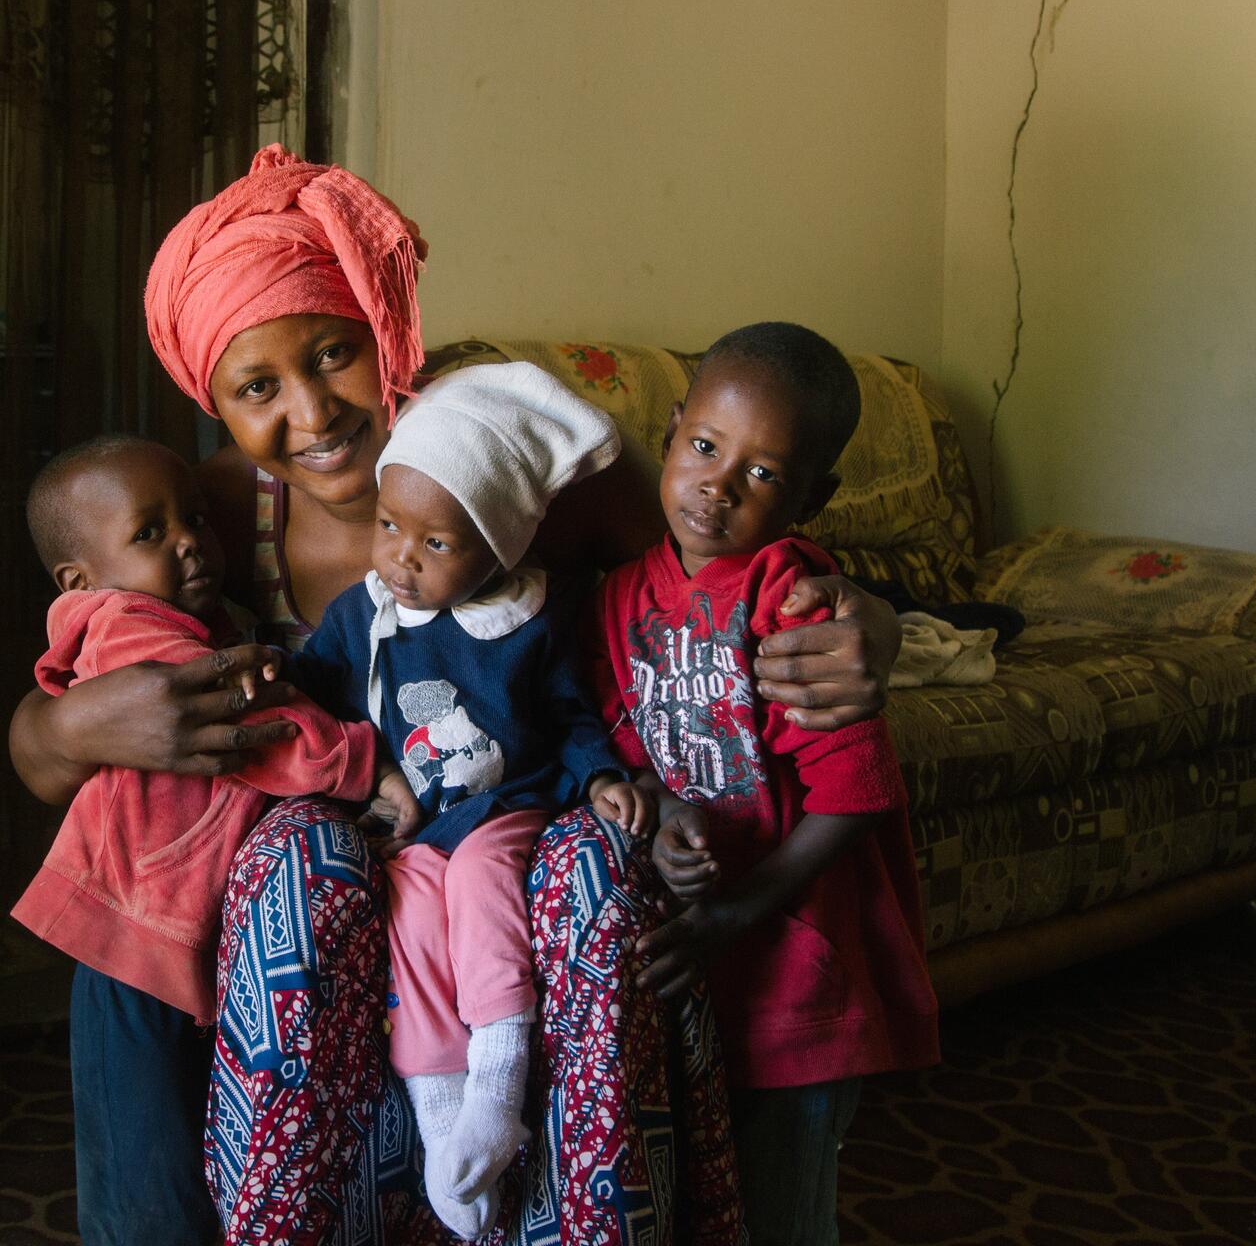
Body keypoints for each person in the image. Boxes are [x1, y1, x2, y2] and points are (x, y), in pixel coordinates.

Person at [7, 147, 902, 1245]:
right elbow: (57, 737)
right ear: (217, 404)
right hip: (321, 889)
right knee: (144, 911)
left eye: (333, 353)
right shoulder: (213, 516)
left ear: (380, 336)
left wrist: (872, 615)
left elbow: (707, 578)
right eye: (256, 389)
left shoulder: (516, 463)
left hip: (500, 847)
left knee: (581, 881)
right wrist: (64, 721)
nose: (314, 412)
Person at [590, 322, 941, 1246]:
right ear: (670, 432)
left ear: (810, 498)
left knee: (784, 1214)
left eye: (763, 473)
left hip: (795, 969)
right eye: (705, 447)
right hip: (704, 972)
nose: (718, 483)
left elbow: (856, 794)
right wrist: (662, 817)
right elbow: (631, 749)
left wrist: (738, 912)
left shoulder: (793, 603)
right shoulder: (619, 597)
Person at [293, 363, 655, 1239]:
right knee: (412, 922)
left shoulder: (534, 618)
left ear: (501, 547)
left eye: (437, 544)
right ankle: (440, 1109)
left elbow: (571, 713)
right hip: (414, 834)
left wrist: (603, 775)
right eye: (389, 527)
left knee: (483, 887)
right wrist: (275, 687)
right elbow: (313, 693)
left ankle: (498, 1082)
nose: (401, 559)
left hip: (505, 813)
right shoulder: (364, 615)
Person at [12, 434, 382, 1245]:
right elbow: (260, 732)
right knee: (147, 1199)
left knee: (181, 1166)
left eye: (197, 520)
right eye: (151, 532)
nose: (189, 540)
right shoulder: (127, 628)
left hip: (173, 938)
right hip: (129, 948)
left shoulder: (200, 619)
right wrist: (363, 762)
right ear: (80, 580)